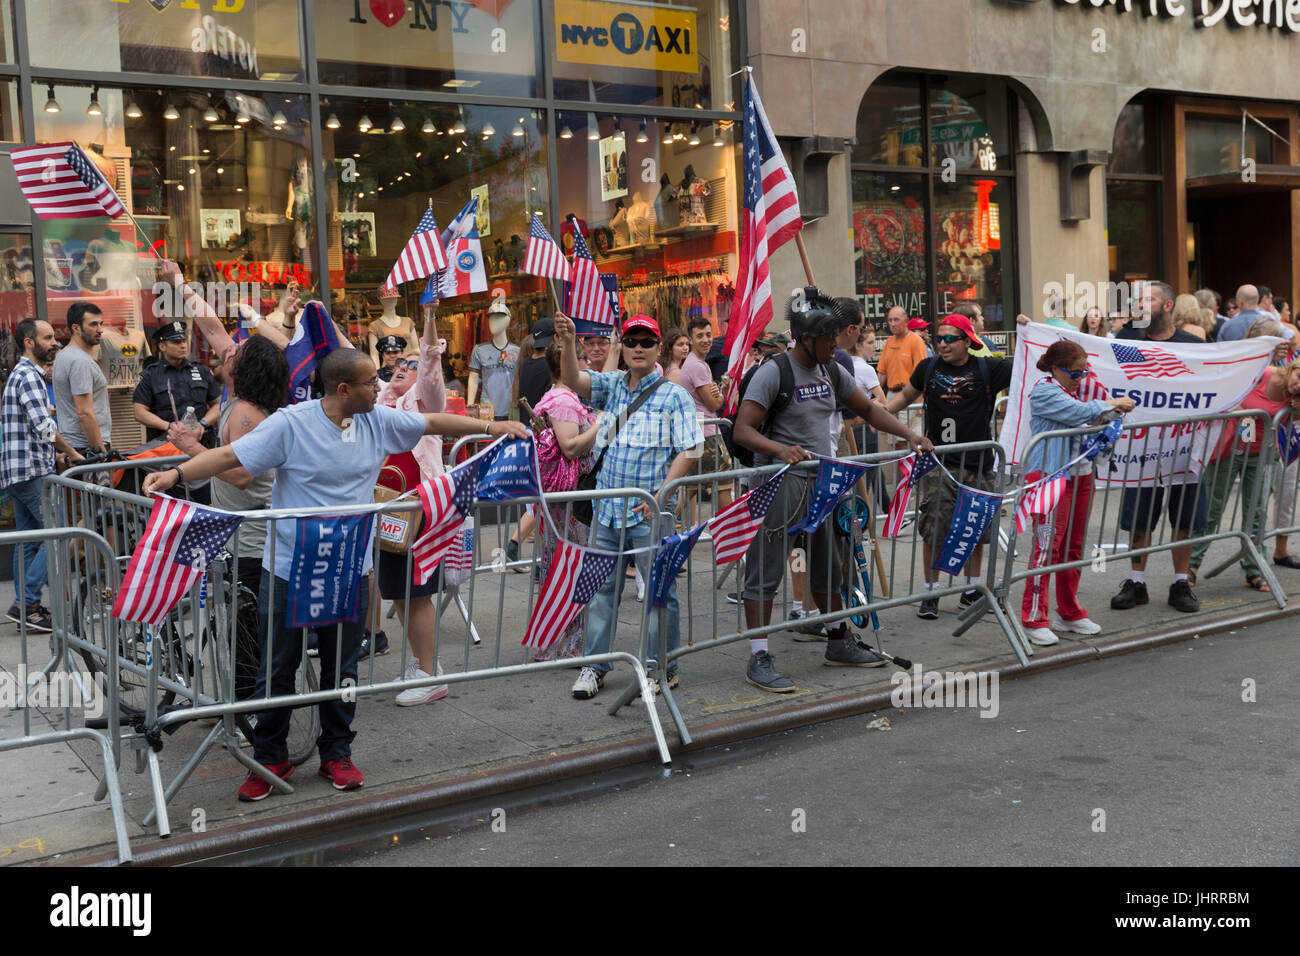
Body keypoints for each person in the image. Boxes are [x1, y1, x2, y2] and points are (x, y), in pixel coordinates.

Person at [142, 349, 527, 800]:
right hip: (288, 567)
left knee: (341, 669)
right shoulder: (291, 423)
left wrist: (492, 427)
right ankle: (270, 758)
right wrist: (174, 473)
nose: (378, 387)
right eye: (369, 382)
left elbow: (434, 424)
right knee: (276, 668)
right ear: (343, 390)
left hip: (349, 568)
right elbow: (229, 454)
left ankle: (336, 754)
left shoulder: (377, 420)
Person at [735, 289, 931, 692]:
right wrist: (779, 450)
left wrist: (910, 434)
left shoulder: (831, 369)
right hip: (780, 485)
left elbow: (869, 409)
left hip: (823, 484)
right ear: (806, 338)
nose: (836, 345)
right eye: (828, 339)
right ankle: (758, 655)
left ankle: (839, 640)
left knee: (830, 565)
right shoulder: (775, 371)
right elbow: (742, 430)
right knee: (766, 570)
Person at [554, 312, 703, 700]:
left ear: (659, 349)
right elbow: (573, 381)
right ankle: (595, 664)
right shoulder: (613, 385)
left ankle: (659, 667)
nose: (638, 349)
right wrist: (570, 341)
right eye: (632, 342)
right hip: (607, 510)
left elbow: (691, 448)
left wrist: (662, 497)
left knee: (659, 592)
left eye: (646, 342)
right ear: (624, 346)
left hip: (648, 512)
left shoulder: (674, 394)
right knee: (601, 588)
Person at [885, 313, 1013, 619]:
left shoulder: (988, 367)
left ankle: (972, 590)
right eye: (938, 338)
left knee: (977, 529)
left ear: (967, 341)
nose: (942, 344)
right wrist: (873, 411)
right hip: (938, 465)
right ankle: (932, 593)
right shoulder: (928, 368)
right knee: (934, 529)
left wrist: (1025, 327)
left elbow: (1029, 366)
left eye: (949, 339)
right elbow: (903, 398)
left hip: (979, 463)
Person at [1019, 340, 1134, 646]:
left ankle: (1068, 612)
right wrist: (1110, 406)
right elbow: (1078, 413)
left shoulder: (1071, 388)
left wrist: (1107, 417)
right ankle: (1033, 617)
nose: (1079, 378)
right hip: (1049, 476)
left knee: (1072, 546)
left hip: (1080, 474)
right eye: (1074, 372)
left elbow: (1088, 418)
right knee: (1046, 547)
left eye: (1083, 373)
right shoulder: (1045, 390)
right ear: (1054, 367)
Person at [373, 303, 454, 704]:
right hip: (388, 510)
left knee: (417, 592)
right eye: (397, 365)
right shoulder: (380, 403)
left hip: (419, 507)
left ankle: (428, 672)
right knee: (399, 592)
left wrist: (427, 321)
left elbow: (430, 370)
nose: (402, 368)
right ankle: (425, 664)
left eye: (410, 364)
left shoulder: (426, 402)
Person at [1111, 280, 1207, 614]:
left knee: (1185, 517)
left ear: (1167, 306)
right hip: (1141, 449)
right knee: (1139, 518)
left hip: (1184, 447)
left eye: (1148, 300)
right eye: (1137, 301)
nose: (1140, 306)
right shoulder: (1125, 339)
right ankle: (1136, 582)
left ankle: (1181, 582)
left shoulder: (1192, 345)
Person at [1188, 319, 1292, 591]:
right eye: (1265, 345)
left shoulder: (1285, 377)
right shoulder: (1238, 368)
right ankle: (1190, 566)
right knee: (1212, 508)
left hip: (1262, 453)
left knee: (1256, 512)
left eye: (1276, 345)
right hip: (1229, 450)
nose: (1272, 351)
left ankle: (1254, 567)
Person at [2, 318, 85, 632]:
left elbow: (32, 425)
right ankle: (27, 603)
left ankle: (28, 605)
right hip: (31, 470)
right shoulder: (30, 375)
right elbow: (44, 427)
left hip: (19, 469)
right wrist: (74, 453)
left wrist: (58, 453)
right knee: (60, 533)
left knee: (28, 542)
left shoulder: (19, 375)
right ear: (28, 342)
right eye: (48, 338)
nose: (55, 343)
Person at [530, 339, 601, 661]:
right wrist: (600, 426)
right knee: (571, 568)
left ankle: (556, 642)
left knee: (561, 566)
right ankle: (568, 646)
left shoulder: (561, 397)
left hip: (565, 499)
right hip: (569, 500)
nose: (586, 365)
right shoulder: (563, 400)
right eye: (582, 359)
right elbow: (571, 446)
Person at [677, 315, 732, 523]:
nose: (706, 340)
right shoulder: (697, 366)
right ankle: (732, 536)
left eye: (708, 335)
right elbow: (714, 404)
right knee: (723, 485)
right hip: (707, 436)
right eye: (699, 336)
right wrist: (722, 392)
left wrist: (718, 391)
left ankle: (658, 527)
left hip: (697, 434)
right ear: (691, 339)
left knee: (689, 487)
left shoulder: (696, 363)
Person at [52, 302, 111, 456]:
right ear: (76, 328)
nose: (100, 330)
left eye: (100, 324)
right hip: (88, 448)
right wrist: (102, 454)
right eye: (93, 324)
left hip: (77, 445)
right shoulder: (80, 361)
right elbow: (84, 413)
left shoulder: (65, 355)